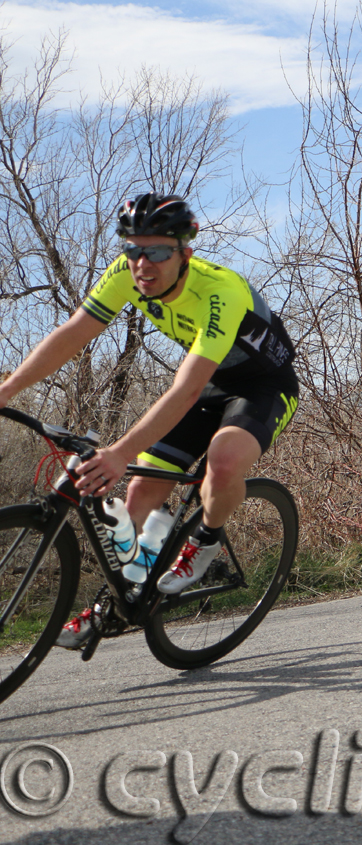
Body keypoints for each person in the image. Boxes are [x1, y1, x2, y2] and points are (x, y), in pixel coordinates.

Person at [0, 193, 299, 648]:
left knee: (222, 462)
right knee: (138, 495)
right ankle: (117, 601)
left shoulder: (220, 291)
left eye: (158, 251)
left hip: (262, 387)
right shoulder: (126, 275)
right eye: (133, 249)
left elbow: (186, 389)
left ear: (185, 253)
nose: (143, 263)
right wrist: (5, 390)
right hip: (211, 383)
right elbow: (72, 335)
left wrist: (119, 453)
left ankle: (206, 540)